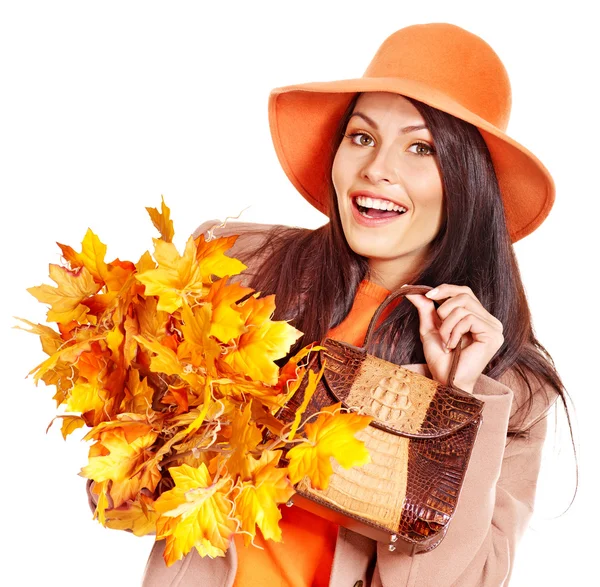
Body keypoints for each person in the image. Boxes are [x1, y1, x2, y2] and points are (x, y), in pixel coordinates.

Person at [137, 22, 572, 586]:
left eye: (421, 147)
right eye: (362, 137)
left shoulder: (508, 388)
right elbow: (119, 486)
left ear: (468, 183)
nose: (376, 169)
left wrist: (454, 405)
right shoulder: (235, 268)